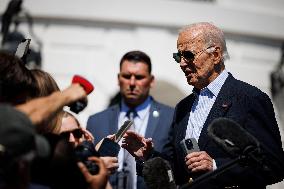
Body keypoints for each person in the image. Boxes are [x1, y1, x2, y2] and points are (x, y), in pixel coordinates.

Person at [122, 22, 284, 188]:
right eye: (178, 56)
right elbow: (178, 171)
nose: (182, 63)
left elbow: (274, 165)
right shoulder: (183, 107)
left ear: (215, 55)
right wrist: (148, 155)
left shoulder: (249, 98)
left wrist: (215, 166)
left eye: (189, 55)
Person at [87, 50, 174, 189]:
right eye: (127, 76)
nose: (132, 82)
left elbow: (177, 168)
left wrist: (149, 156)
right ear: (118, 78)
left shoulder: (171, 118)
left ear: (151, 81)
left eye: (139, 77)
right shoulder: (96, 121)